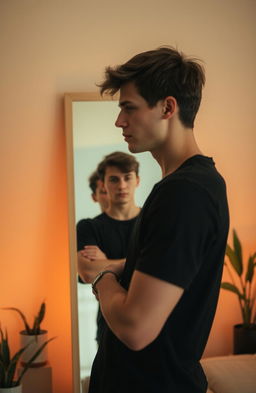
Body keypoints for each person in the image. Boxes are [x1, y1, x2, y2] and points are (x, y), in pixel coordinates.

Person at [78, 46, 229, 393]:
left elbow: (135, 328)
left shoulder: (185, 193)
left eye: (128, 108)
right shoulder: (190, 186)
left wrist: (99, 274)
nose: (119, 121)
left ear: (168, 107)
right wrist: (119, 269)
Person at [77, 151, 141, 343]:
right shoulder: (88, 227)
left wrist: (106, 264)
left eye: (127, 178)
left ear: (137, 181)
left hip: (150, 318)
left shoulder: (154, 221)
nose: (121, 185)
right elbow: (88, 272)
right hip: (108, 325)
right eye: (114, 179)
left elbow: (163, 265)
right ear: (103, 184)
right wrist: (138, 261)